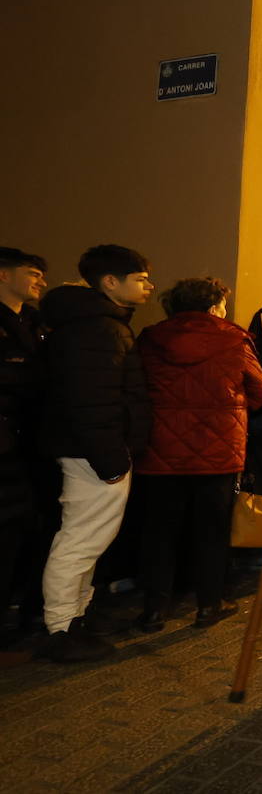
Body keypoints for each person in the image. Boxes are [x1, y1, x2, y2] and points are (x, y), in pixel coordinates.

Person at [132, 277, 262, 632]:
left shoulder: (150, 339)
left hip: (160, 451)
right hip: (218, 453)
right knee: (212, 531)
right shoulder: (234, 339)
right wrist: (229, 412)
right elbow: (261, 391)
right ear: (213, 307)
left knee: (158, 532)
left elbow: (135, 388)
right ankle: (209, 605)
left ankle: (154, 610)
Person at [38, 245, 153, 661]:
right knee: (80, 541)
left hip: (98, 450)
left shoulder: (99, 323)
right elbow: (90, 401)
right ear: (109, 281)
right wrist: (111, 459)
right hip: (95, 454)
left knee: (89, 539)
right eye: (140, 278)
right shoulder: (96, 328)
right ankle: (61, 628)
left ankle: (75, 619)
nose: (148, 286)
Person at [0, 248, 53, 645]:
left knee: (31, 528)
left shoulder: (36, 324)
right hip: (6, 442)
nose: (40, 282)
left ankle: (25, 610)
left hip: (32, 443)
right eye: (32, 273)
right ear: (4, 275)